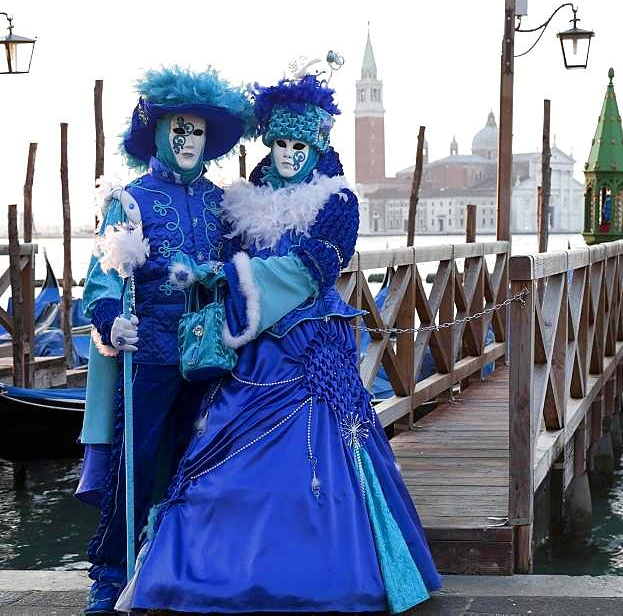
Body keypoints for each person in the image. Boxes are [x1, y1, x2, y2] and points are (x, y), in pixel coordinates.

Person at [122, 74, 441, 614]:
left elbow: (318, 266)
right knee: (221, 468)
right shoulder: (241, 204)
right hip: (248, 354)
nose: (290, 155)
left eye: (301, 146)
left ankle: (320, 577)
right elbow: (216, 259)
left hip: (308, 349)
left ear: (316, 146)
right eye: (281, 144)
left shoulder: (336, 202)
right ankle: (200, 573)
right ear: (268, 144)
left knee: (320, 463)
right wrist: (183, 273)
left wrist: (236, 279)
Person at [76, 66, 252, 614]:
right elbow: (101, 279)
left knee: (204, 458)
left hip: (212, 354)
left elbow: (245, 268)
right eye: (177, 129)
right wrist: (110, 322)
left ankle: (189, 566)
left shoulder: (221, 203)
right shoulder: (129, 201)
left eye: (195, 131)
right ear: (156, 133)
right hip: (150, 353)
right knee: (138, 459)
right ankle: (110, 574)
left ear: (208, 140)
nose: (186, 140)